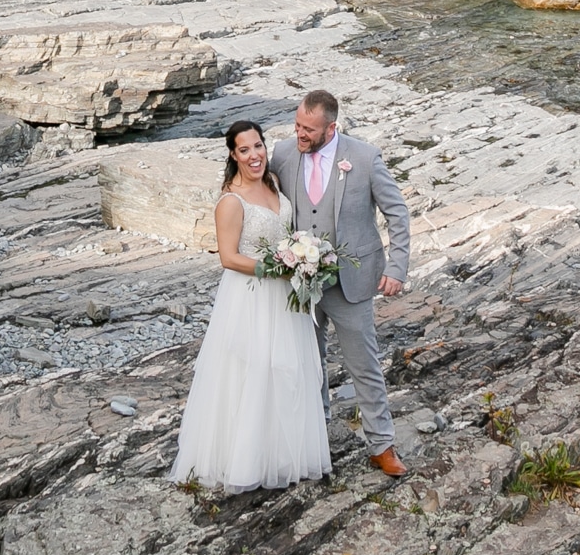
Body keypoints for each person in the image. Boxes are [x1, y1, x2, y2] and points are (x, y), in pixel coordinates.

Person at [169, 118, 332, 494]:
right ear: (233, 155)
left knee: (287, 369)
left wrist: (303, 258)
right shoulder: (231, 201)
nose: (255, 155)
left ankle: (282, 456)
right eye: (245, 150)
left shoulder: (273, 182)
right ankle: (245, 461)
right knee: (253, 371)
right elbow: (228, 257)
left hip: (285, 299)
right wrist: (276, 268)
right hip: (251, 297)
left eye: (258, 146)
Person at [269, 87, 413, 477]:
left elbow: (397, 212)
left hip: (353, 283)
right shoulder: (282, 154)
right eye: (297, 125)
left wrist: (397, 267)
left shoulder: (364, 158)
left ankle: (381, 445)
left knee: (364, 365)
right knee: (307, 365)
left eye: (309, 130)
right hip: (300, 282)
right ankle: (316, 440)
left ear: (331, 128)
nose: (300, 134)